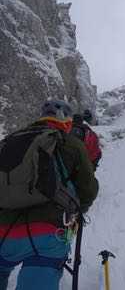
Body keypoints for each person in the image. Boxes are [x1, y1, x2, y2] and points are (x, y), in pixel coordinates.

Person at [0, 100, 99, 290]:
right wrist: (77, 212)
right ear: (67, 122)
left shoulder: (10, 140)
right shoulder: (71, 144)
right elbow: (88, 190)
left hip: (3, 232)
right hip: (47, 233)